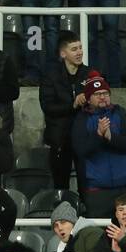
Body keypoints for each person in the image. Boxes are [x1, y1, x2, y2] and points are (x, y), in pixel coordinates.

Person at [72, 73, 126, 217]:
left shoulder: (121, 114)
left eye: (105, 93)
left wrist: (111, 137)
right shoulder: (80, 119)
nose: (102, 97)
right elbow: (80, 150)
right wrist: (98, 136)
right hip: (97, 191)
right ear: (88, 98)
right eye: (97, 94)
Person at [39, 31, 90, 191]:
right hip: (60, 139)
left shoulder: (90, 74)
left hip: (84, 138)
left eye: (80, 48)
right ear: (63, 53)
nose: (79, 52)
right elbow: (48, 107)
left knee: (87, 184)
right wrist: (72, 105)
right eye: (74, 49)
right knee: (61, 187)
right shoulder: (50, 76)